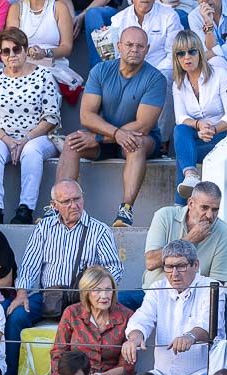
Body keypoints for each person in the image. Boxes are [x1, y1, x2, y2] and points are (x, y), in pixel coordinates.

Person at [58, 26, 165, 228]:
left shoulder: (155, 78)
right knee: (72, 142)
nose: (134, 49)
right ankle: (58, 206)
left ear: (147, 49)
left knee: (136, 143)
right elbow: (86, 116)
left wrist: (99, 137)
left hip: (140, 138)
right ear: (119, 46)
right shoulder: (100, 70)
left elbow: (143, 125)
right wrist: (112, 134)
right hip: (105, 135)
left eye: (140, 46)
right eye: (129, 45)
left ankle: (125, 211)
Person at [13, 180, 124, 374]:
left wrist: (97, 290)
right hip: (49, 295)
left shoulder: (99, 230)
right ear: (54, 205)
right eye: (66, 202)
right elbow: (30, 264)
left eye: (77, 199)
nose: (74, 205)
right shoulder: (44, 228)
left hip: (84, 297)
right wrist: (22, 293)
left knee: (133, 300)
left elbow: (114, 268)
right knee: (16, 317)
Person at [124, 239, 223, 375]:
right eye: (169, 267)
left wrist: (190, 336)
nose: (174, 273)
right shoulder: (157, 288)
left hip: (202, 374)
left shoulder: (212, 287)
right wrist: (134, 338)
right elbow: (143, 318)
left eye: (181, 266)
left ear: (196, 265)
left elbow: (210, 325)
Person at [0, 27, 61, 226]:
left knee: (31, 151)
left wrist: (25, 139)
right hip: (4, 136)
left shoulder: (43, 75)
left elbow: (51, 117)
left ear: (25, 50)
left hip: (39, 137)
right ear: (0, 54)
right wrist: (8, 140)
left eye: (16, 49)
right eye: (6, 51)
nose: (11, 55)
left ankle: (25, 209)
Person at [43, 266, 134, 375]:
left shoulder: (126, 316)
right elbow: (58, 353)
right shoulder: (72, 313)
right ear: (86, 292)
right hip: (74, 373)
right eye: (97, 290)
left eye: (108, 290)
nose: (104, 296)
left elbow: (126, 367)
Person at [171, 29, 227, 200]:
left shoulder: (220, 75)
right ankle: (190, 175)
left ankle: (180, 206)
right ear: (176, 58)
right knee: (180, 130)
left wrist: (211, 128)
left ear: (200, 52)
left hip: (223, 135)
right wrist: (199, 125)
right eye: (181, 53)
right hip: (198, 135)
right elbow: (180, 117)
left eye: (191, 51)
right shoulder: (179, 83)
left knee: (184, 154)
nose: (186, 57)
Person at [144, 182, 227, 291]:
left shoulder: (224, 233)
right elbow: (150, 262)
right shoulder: (165, 216)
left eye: (215, 209)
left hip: (196, 300)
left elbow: (215, 286)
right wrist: (189, 240)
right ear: (191, 203)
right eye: (204, 208)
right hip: (154, 294)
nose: (210, 215)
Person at [7, 0, 75, 74]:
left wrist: (45, 52)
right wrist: (28, 51)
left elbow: (66, 47)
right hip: (23, 65)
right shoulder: (16, 8)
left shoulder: (59, 7)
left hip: (53, 65)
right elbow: (11, 43)